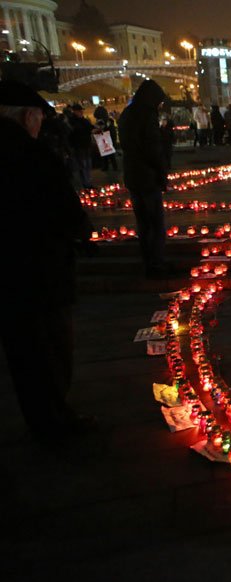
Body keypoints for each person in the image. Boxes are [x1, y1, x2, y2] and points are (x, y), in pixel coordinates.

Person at [0, 80, 96, 440]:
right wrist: (83, 233)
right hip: (40, 271)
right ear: (28, 116)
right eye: (39, 117)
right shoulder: (33, 156)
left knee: (21, 351)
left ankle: (38, 420)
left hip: (5, 275)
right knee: (52, 348)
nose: (39, 124)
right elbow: (66, 211)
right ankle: (57, 421)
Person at [118, 79, 172, 279]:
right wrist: (162, 174)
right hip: (147, 176)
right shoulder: (146, 115)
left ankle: (148, 261)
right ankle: (156, 264)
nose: (159, 105)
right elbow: (153, 149)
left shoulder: (127, 113)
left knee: (143, 222)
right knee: (156, 222)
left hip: (132, 175)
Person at [67, 103, 94, 189]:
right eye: (79, 111)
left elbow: (90, 127)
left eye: (81, 110)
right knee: (83, 165)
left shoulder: (84, 120)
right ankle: (86, 184)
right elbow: (74, 133)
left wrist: (96, 128)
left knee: (88, 164)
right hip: (78, 146)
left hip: (86, 145)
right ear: (74, 111)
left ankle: (89, 182)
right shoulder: (71, 121)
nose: (81, 112)